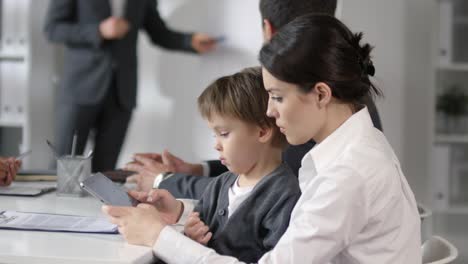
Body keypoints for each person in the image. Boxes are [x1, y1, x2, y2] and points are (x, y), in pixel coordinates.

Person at [103, 14, 421, 263]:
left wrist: (160, 237)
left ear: (321, 94)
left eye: (278, 97)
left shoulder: (347, 175)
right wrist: (181, 216)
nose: (269, 111)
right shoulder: (361, 145)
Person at [125, 0, 384, 198]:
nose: (270, 111)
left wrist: (164, 183)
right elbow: (271, 167)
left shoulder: (326, 131)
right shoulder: (349, 97)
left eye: (277, 97)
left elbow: (270, 190)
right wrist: (198, 170)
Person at [128, 67, 301, 263]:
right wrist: (192, 238)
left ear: (262, 132)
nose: (216, 145)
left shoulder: (286, 195)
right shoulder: (219, 185)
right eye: (214, 135)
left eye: (224, 134)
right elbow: (194, 245)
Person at [44, 0, 217, 172]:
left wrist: (189, 41)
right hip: (79, 88)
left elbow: (158, 32)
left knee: (105, 173)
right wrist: (98, 31)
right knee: (63, 169)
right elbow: (52, 29)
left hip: (122, 92)